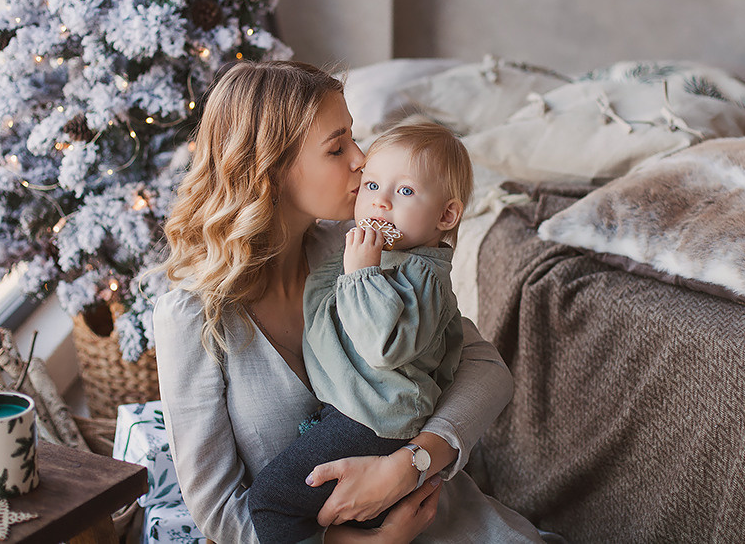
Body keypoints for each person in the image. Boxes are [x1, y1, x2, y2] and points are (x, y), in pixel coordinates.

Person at [154, 60, 560, 543]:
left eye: (354, 138)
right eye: (337, 147)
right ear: (272, 169)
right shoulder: (194, 318)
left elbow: (487, 369)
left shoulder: (355, 251)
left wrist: (412, 464)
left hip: (442, 517)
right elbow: (222, 514)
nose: (361, 160)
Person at [248, 119, 473, 543]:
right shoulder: (377, 252)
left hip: (375, 419)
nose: (380, 203)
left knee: (270, 502)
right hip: (356, 411)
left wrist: (361, 275)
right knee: (338, 513)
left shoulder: (418, 273)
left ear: (446, 214)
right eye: (372, 185)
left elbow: (382, 347)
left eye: (404, 191)